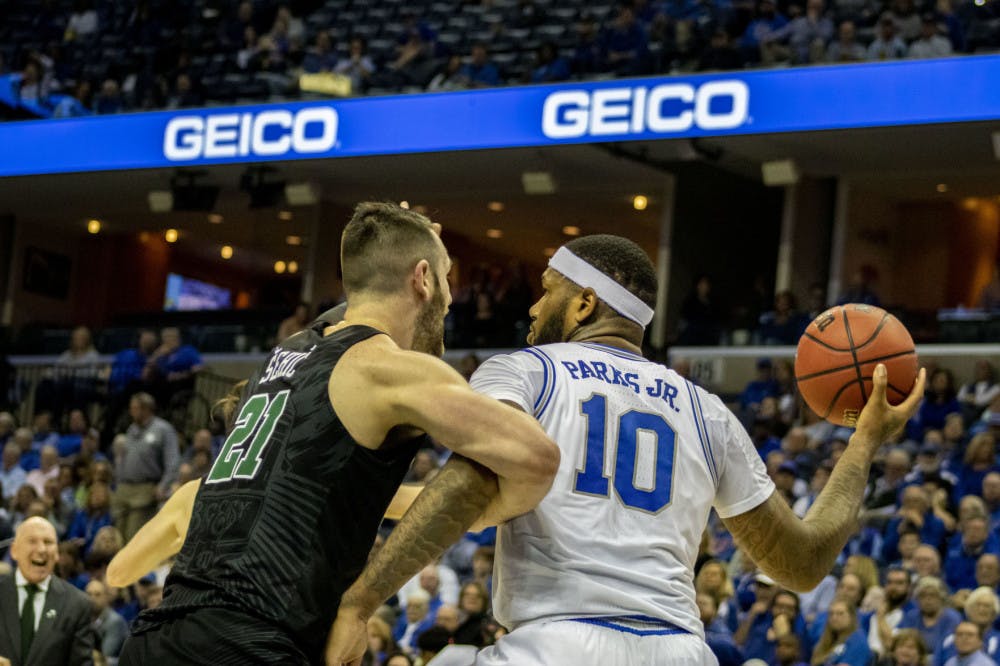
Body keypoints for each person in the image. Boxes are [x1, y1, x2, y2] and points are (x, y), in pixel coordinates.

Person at [327, 233, 926, 665]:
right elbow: (801, 563)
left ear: (585, 303)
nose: (534, 307)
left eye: (547, 290)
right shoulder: (705, 409)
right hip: (679, 649)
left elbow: (473, 485)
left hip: (556, 642)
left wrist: (360, 602)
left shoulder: (526, 370)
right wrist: (866, 439)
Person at [118, 202, 559, 666]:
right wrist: (483, 511)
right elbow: (537, 458)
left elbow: (363, 287)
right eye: (448, 278)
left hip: (155, 635)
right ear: (423, 278)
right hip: (250, 643)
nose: (450, 298)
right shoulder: (389, 370)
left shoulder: (286, 354)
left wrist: (397, 244)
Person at [0, 517, 94, 665]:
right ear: (14, 550)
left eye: (48, 542)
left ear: (57, 553)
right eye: (32, 541)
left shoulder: (77, 604)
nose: (42, 549)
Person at [112, 392, 179, 542]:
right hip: (124, 488)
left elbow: (173, 462)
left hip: (145, 489)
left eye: (135, 408)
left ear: (147, 409)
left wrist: (163, 486)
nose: (131, 412)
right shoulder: (131, 429)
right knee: (117, 537)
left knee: (133, 536)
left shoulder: (163, 429)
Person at [87, 578, 129, 663]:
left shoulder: (115, 621)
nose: (92, 598)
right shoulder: (85, 618)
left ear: (106, 597)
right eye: (89, 594)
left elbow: (103, 656)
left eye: (97, 594)